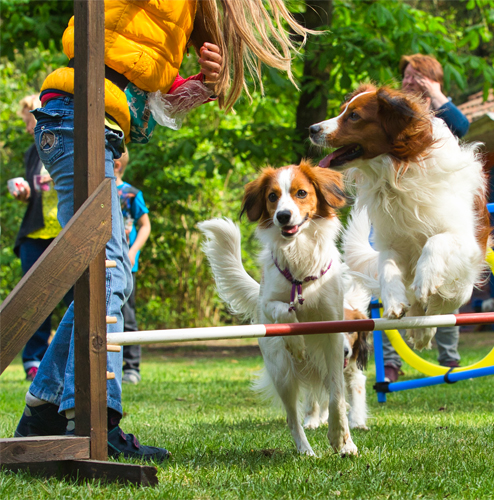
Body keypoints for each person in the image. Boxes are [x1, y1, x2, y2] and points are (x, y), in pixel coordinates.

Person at [13, 0, 312, 462]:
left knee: (107, 272)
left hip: (94, 124)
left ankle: (43, 412)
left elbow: (156, 104)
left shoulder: (172, 26)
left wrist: (202, 83)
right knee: (109, 270)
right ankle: (96, 420)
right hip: (76, 117)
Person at [380, 54, 470, 383]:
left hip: (438, 209)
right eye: (406, 76)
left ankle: (449, 359)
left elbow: (463, 127)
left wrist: (436, 95)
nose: (409, 83)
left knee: (445, 288)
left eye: (418, 77)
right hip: (401, 212)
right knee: (392, 285)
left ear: (433, 81)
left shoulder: (440, 114)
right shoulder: (393, 116)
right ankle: (391, 362)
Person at [11, 95, 73, 382]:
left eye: (28, 120)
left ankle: (70, 357)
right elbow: (34, 193)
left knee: (74, 297)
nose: (27, 128)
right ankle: (33, 361)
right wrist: (24, 193)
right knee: (35, 300)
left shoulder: (66, 141)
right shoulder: (30, 152)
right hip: (35, 234)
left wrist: (54, 179)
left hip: (66, 232)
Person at [113, 149, 150, 385]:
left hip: (127, 266)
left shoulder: (131, 194)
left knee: (128, 317)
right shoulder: (95, 193)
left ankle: (132, 367)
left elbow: (145, 225)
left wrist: (133, 250)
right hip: (102, 265)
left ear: (115, 165)